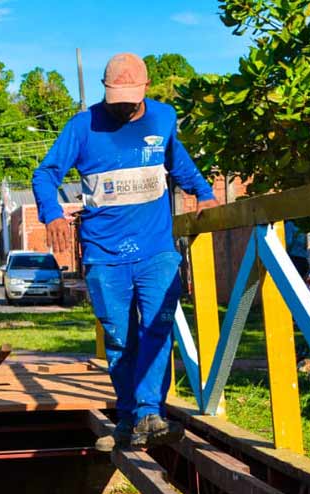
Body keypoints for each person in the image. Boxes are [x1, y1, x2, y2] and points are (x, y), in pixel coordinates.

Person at [32, 53, 219, 451]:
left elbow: (176, 160)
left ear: (145, 89)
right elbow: (46, 172)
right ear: (105, 89)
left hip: (156, 252)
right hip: (104, 254)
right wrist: (51, 213)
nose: (123, 106)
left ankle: (150, 411)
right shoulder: (83, 127)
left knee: (157, 330)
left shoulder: (163, 118)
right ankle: (132, 418)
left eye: (131, 99)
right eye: (116, 98)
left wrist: (202, 192)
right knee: (119, 339)